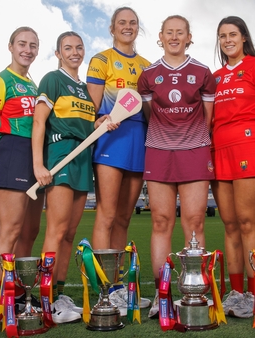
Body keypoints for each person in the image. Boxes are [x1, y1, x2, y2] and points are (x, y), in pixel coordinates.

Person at [32, 31, 117, 323]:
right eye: (67, 48)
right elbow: (39, 122)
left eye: (79, 47)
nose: (74, 52)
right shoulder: (52, 80)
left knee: (69, 233)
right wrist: (38, 164)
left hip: (83, 159)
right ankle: (47, 300)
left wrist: (99, 121)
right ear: (58, 53)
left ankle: (59, 293)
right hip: (61, 156)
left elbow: (83, 126)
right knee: (56, 230)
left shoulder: (83, 88)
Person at [137, 15, 217, 318]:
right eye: (169, 32)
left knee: (195, 222)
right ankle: (163, 293)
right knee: (160, 221)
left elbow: (208, 117)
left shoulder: (202, 72)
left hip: (195, 150)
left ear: (188, 37)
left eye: (179, 32)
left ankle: (195, 291)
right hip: (158, 150)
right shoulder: (148, 74)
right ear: (161, 36)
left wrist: (189, 138)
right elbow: (147, 114)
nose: (174, 37)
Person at [211, 16, 255, 318]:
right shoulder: (213, 77)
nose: (228, 40)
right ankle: (237, 293)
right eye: (222, 36)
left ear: (243, 38)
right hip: (219, 151)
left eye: (233, 34)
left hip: (249, 147)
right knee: (229, 225)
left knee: (247, 222)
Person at [86, 6, 151, 311]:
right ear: (112, 28)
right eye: (122, 23)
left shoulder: (148, 66)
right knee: (107, 214)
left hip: (139, 140)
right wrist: (99, 121)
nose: (128, 27)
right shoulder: (101, 60)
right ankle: (104, 287)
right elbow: (91, 107)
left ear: (138, 28)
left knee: (124, 217)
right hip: (112, 138)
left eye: (133, 23)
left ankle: (118, 286)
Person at [0, 26, 44, 321]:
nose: (27, 49)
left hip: (36, 156)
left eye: (33, 45)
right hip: (13, 154)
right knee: (9, 232)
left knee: (30, 231)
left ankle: (19, 293)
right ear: (10, 46)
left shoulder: (33, 84)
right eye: (22, 44)